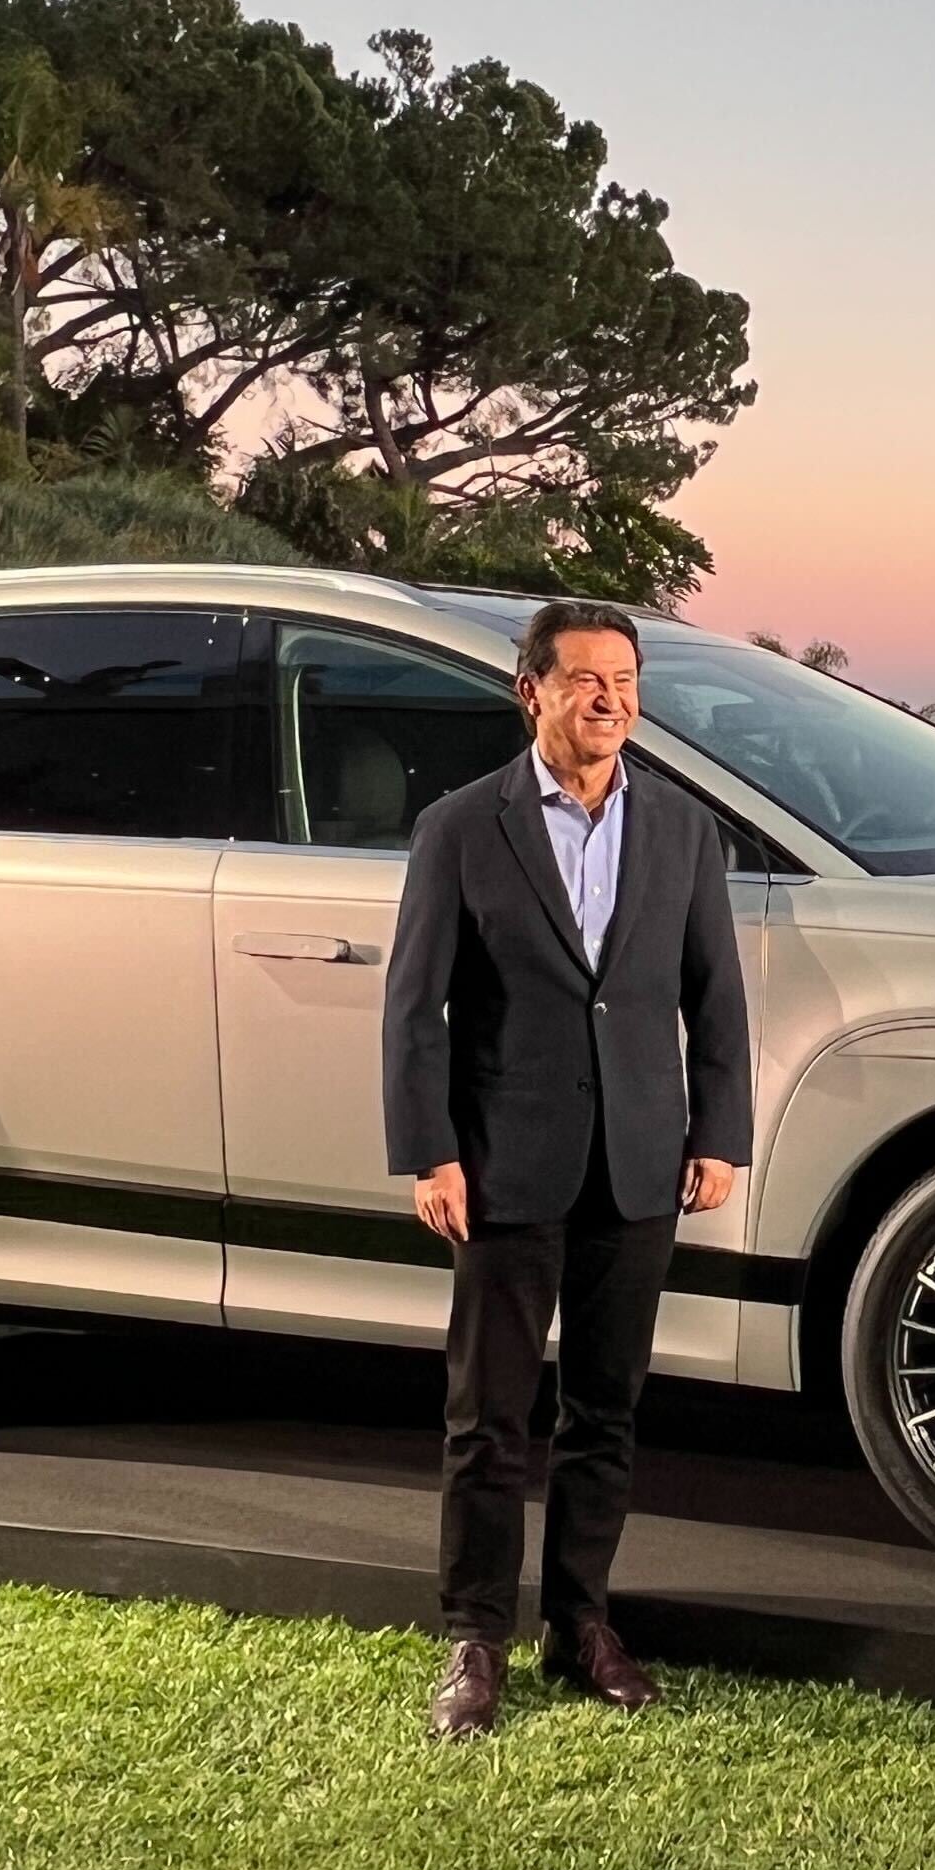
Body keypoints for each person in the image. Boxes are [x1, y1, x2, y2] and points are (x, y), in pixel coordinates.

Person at [383, 598, 752, 1741]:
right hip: (503, 1167)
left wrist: (720, 1134)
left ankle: (582, 1624)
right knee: (487, 1420)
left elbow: (716, 1001)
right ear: (530, 691)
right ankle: (474, 1640)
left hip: (640, 1167)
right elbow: (416, 1009)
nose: (611, 698)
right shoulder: (460, 828)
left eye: (626, 679)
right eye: (585, 678)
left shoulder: (686, 833)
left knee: (607, 1413)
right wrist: (430, 1151)